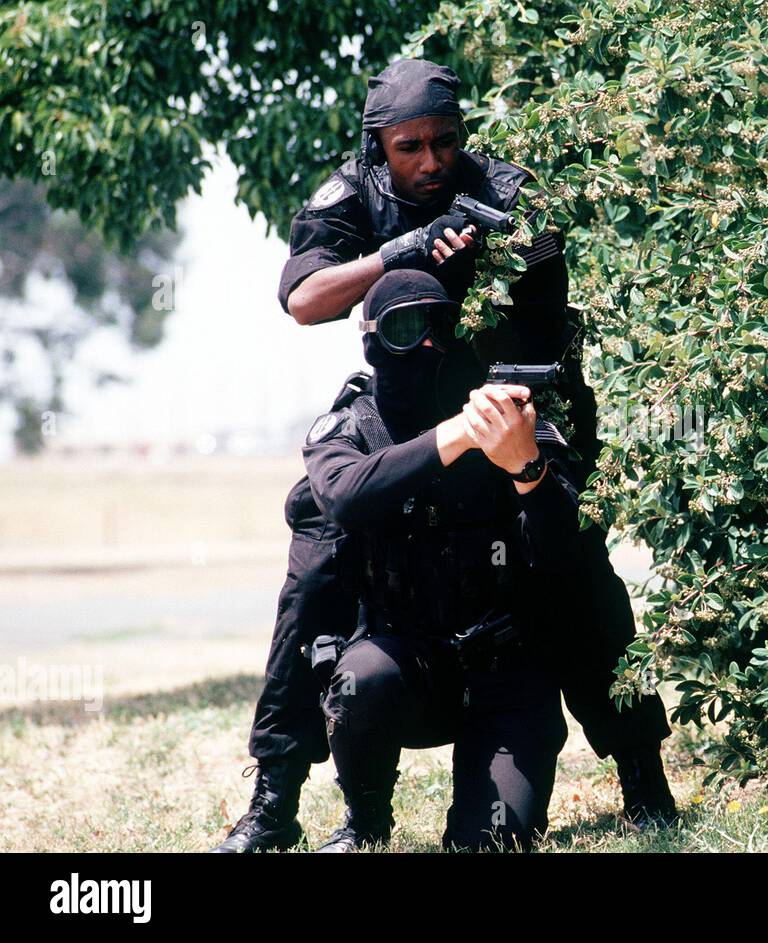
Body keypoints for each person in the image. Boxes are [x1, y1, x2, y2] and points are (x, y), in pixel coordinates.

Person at [211, 58, 674, 853]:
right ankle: (273, 802)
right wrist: (404, 253)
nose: (429, 161)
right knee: (317, 561)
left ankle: (643, 778)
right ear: (377, 146)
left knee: (572, 565)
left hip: (511, 395)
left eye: (444, 143)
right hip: (403, 399)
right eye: (409, 147)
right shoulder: (352, 196)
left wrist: (519, 441)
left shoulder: (508, 195)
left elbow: (543, 336)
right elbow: (303, 300)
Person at [306, 270, 577, 851]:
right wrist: (457, 435)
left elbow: (565, 553)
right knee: (359, 679)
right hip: (409, 670)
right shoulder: (350, 427)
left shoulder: (510, 419)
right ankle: (366, 820)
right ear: (373, 340)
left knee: (491, 843)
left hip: (507, 673)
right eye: (408, 327)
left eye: (443, 325)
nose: (429, 343)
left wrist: (526, 467)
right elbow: (345, 495)